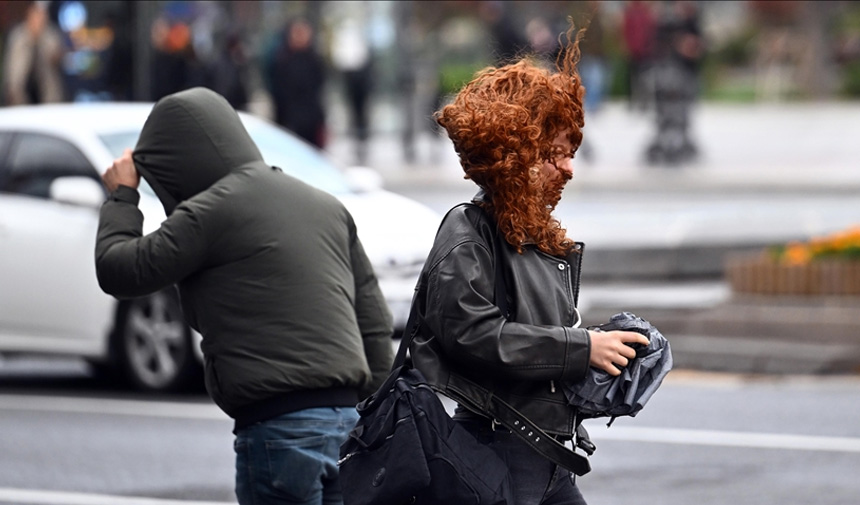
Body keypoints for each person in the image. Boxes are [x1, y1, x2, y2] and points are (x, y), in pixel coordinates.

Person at [94, 87, 394, 505]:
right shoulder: (325, 205)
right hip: (347, 424)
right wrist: (374, 423)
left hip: (278, 428)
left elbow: (119, 270)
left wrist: (124, 195)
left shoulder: (210, 212)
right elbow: (374, 322)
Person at [406, 21, 650, 505]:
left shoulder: (534, 233)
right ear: (513, 157)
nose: (568, 168)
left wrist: (605, 354)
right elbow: (475, 336)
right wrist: (582, 349)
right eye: (554, 154)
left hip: (549, 458)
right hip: (497, 454)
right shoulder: (468, 232)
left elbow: (537, 345)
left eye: (571, 152)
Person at [271, 18, 327, 148]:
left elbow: (318, 90)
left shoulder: (314, 59)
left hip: (311, 120)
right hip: (290, 120)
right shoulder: (282, 60)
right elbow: (279, 91)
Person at [1, 0, 65, 105]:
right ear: (29, 16)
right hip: (20, 93)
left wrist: (40, 40)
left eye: (42, 16)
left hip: (47, 95)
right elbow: (12, 68)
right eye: (36, 16)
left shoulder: (52, 35)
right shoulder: (17, 36)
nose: (39, 20)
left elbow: (56, 60)